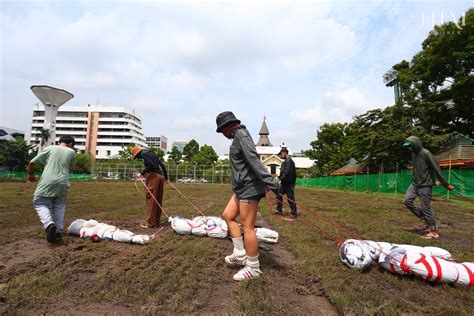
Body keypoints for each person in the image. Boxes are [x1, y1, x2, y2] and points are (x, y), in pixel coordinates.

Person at [216, 111, 280, 281]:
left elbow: (254, 161)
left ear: (228, 126)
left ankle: (253, 267)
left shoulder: (241, 136)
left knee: (248, 227)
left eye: (221, 130)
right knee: (228, 215)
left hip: (249, 187)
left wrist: (272, 184)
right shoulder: (237, 136)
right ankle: (239, 253)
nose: (222, 134)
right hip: (240, 187)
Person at [402, 136, 454, 239]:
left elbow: (435, 169)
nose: (409, 148)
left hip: (425, 186)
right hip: (415, 183)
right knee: (407, 201)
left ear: (416, 144)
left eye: (410, 146)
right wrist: (433, 180)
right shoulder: (413, 154)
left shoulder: (426, 153)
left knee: (426, 207)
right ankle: (424, 218)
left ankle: (433, 231)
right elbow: (419, 170)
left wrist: (445, 184)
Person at [28, 135, 76, 244]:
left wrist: (31, 175)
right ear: (71, 144)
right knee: (59, 206)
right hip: (63, 183)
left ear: (60, 142)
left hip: (47, 182)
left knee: (40, 203)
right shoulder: (71, 152)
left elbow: (32, 162)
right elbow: (71, 168)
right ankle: (58, 232)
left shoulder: (50, 148)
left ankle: (49, 225)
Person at [131, 147, 168, 228]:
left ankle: (150, 223)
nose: (138, 158)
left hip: (153, 177)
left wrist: (142, 173)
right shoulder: (152, 154)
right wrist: (166, 177)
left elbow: (150, 164)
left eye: (137, 157)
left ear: (138, 154)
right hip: (160, 177)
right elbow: (162, 165)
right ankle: (156, 222)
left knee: (151, 199)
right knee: (158, 199)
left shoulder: (144, 155)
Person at [275, 147, 297, 218]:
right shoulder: (285, 161)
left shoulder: (289, 161)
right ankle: (279, 210)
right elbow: (283, 172)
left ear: (285, 153)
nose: (280, 156)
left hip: (289, 183)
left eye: (281, 154)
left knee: (290, 198)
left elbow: (286, 172)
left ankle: (293, 213)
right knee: (279, 195)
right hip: (284, 183)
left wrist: (280, 179)